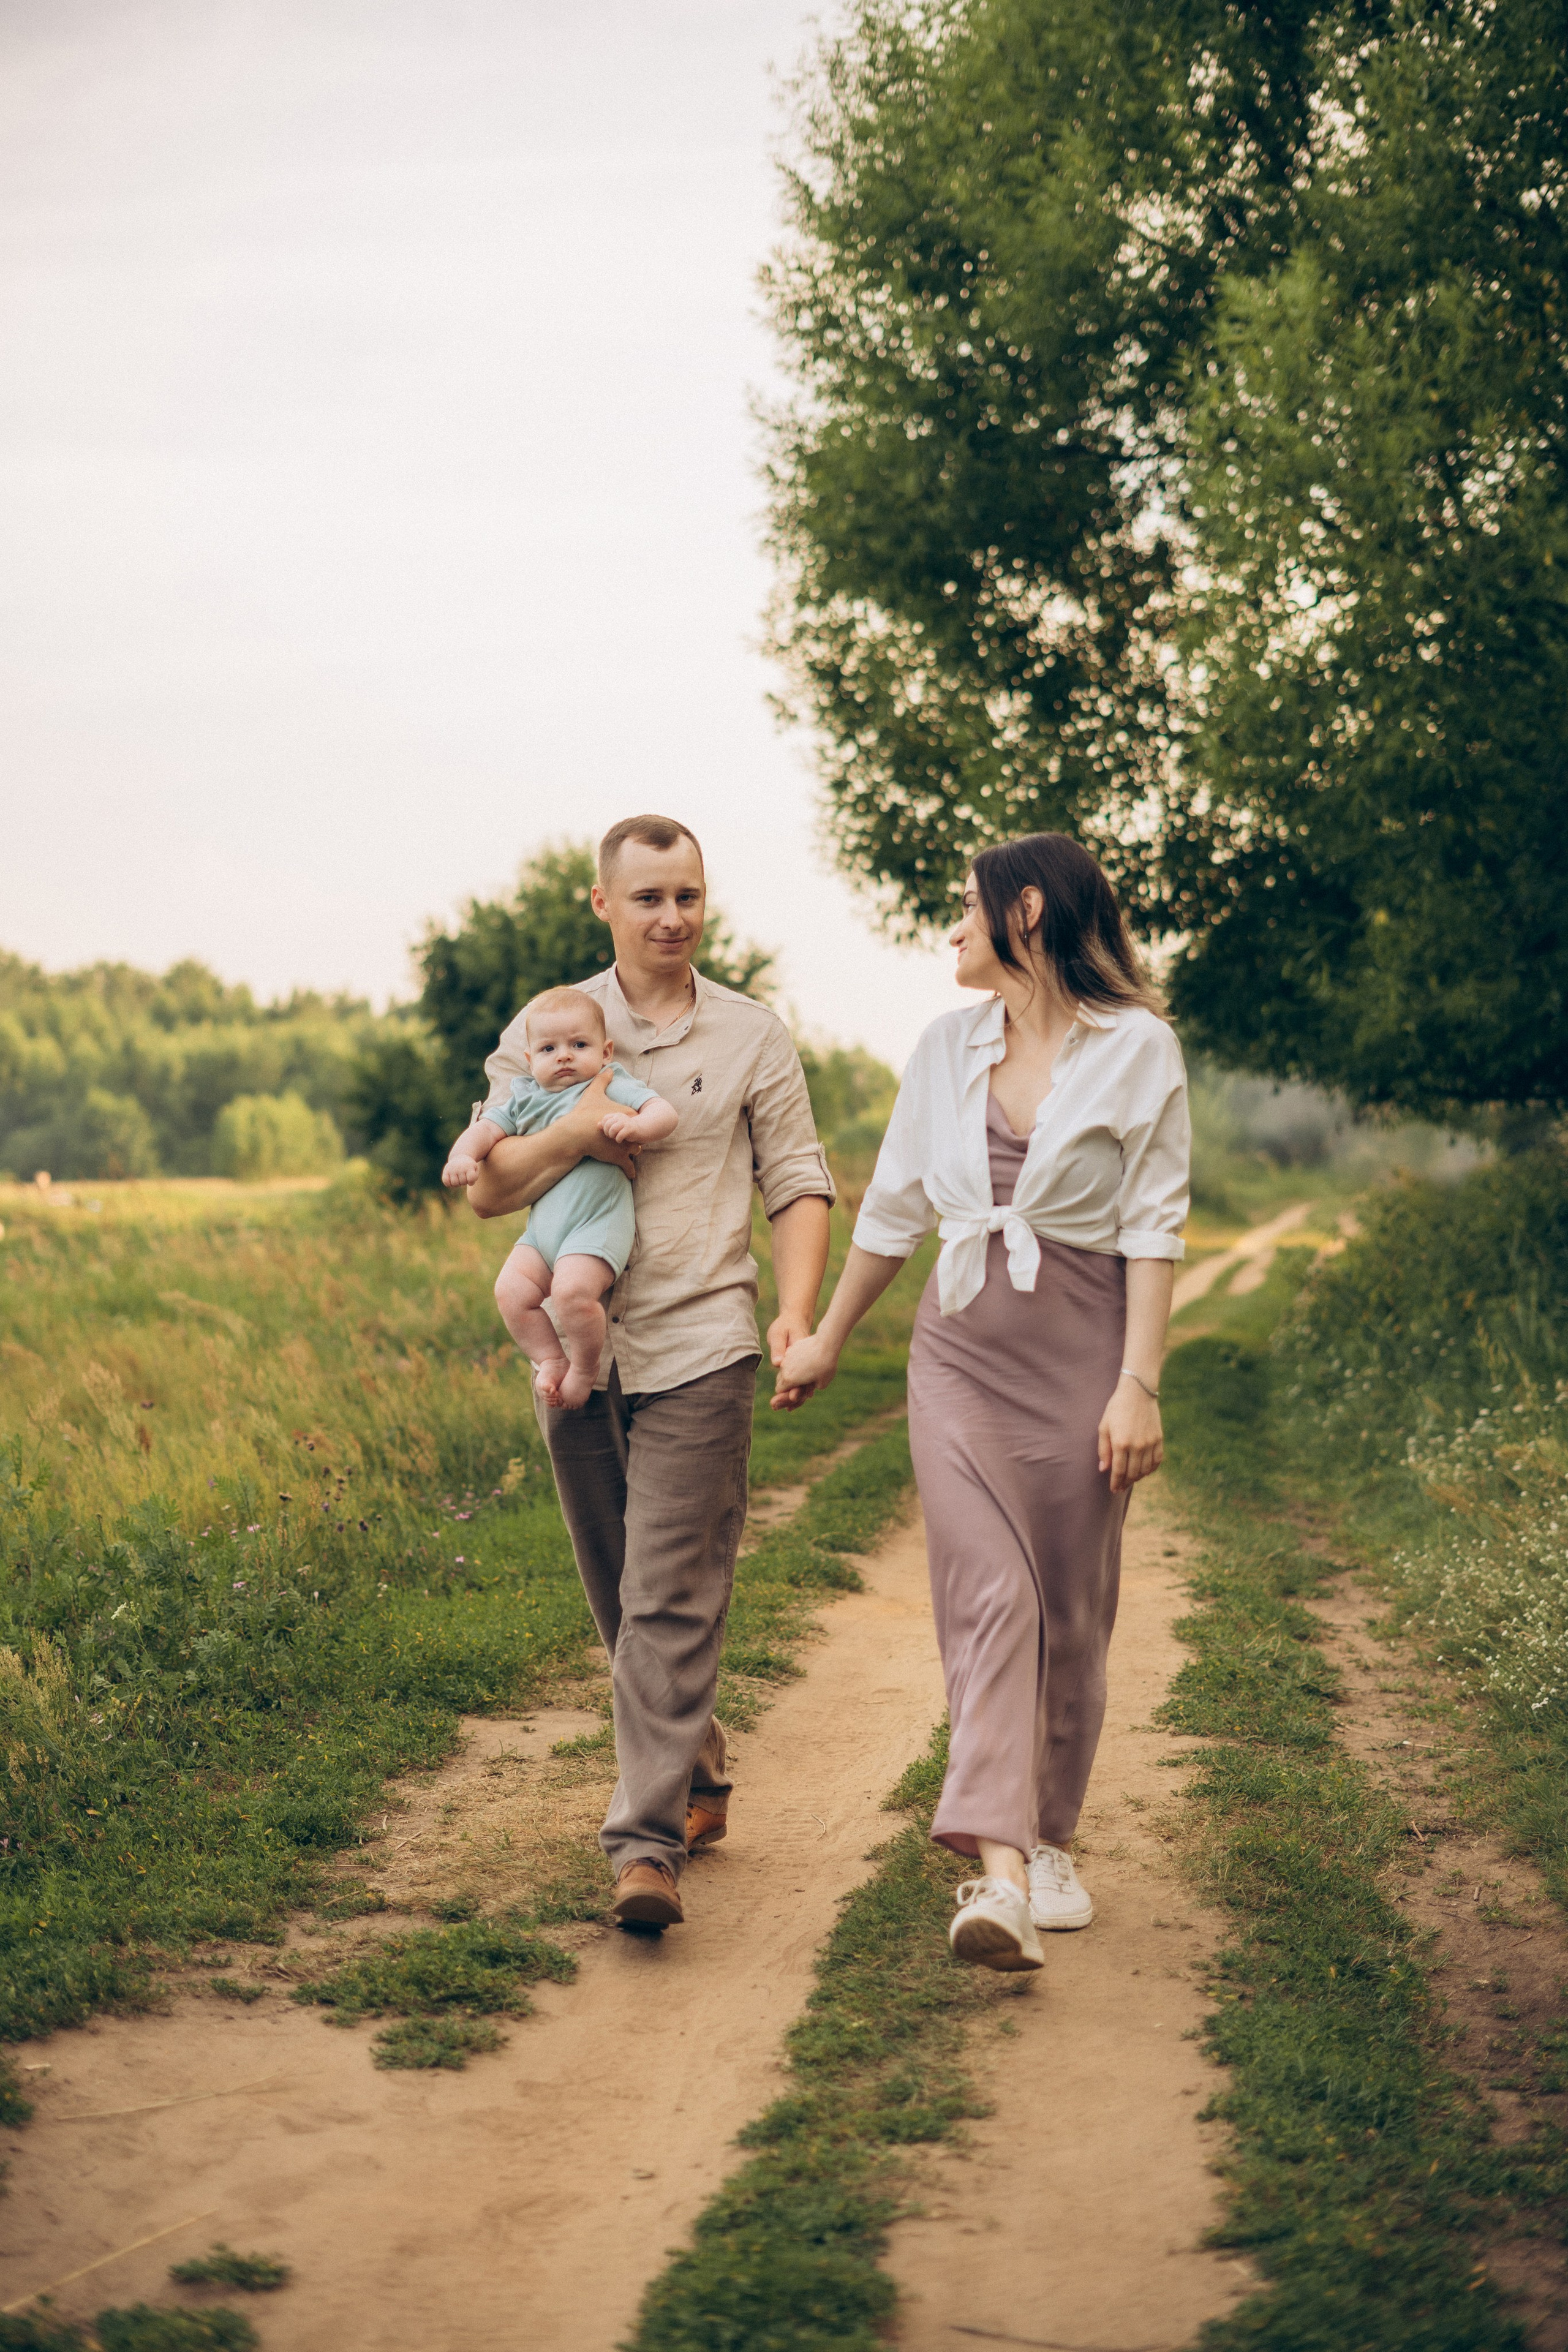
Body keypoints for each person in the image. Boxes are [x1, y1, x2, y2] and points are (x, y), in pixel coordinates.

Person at [780, 833, 1189, 1972]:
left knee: (1072, 1615)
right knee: (991, 1598)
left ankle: (1051, 1836)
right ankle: (1002, 1872)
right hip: (957, 1360)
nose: (949, 931)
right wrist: (825, 1337)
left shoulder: (1140, 1051)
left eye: (963, 908)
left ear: (1022, 913)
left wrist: (1137, 1386)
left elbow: (1154, 1228)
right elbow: (893, 1215)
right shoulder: (943, 1047)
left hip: (1083, 1359)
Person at [466, 815, 834, 1931]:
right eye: (648, 900)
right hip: (584, 1357)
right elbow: (488, 1184)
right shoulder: (553, 1029)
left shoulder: (753, 1034)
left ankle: (644, 1846)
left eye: (688, 897)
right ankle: (698, 1768)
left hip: (705, 1344)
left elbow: (800, 1181)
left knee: (669, 1595)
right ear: (604, 906)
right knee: (618, 1591)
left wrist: (798, 1314)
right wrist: (583, 1127)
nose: (671, 918)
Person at [441, 986, 678, 1409]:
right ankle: (551, 1359)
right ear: (531, 1061)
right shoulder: (524, 1096)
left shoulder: (610, 1084)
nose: (564, 1056)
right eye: (549, 1048)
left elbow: (664, 1113)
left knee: (571, 1293)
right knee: (511, 1292)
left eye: (579, 1045)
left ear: (606, 1052)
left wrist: (640, 1128)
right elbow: (485, 1131)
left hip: (595, 1224)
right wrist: (463, 1155)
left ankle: (585, 1369)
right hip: (542, 1235)